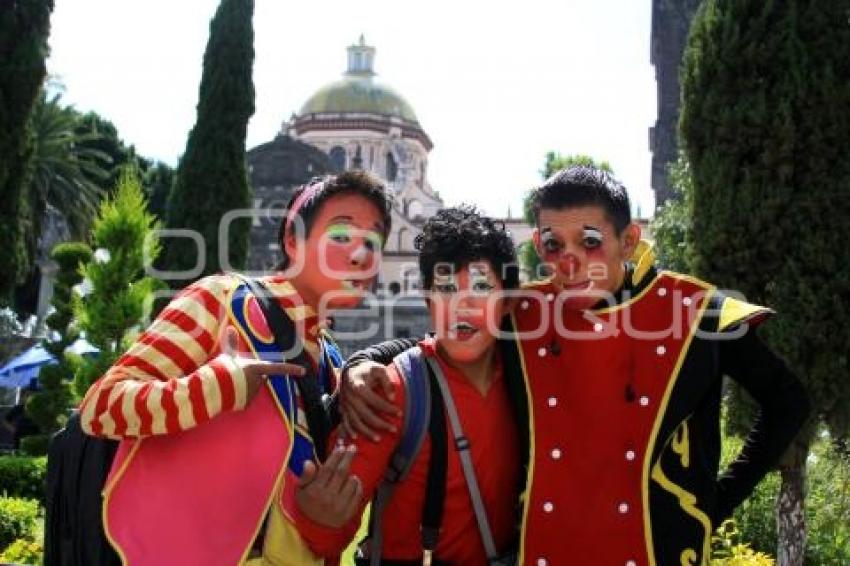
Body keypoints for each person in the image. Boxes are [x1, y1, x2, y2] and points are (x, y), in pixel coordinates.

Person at [342, 166, 810, 565]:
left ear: (627, 241)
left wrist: (716, 503)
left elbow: (788, 400)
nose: (569, 262)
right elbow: (447, 335)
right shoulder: (526, 311)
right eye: (551, 245)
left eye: (588, 242)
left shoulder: (697, 311)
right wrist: (365, 360)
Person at [79, 170, 392, 565]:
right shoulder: (221, 300)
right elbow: (102, 407)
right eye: (341, 235)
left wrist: (324, 515)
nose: (360, 254)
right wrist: (214, 386)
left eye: (374, 241)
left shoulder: (330, 360)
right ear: (293, 240)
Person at [294, 207, 525, 565]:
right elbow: (326, 535)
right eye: (446, 289)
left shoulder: (525, 383)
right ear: (428, 301)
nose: (462, 306)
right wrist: (321, 518)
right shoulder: (392, 392)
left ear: (508, 302)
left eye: (481, 287)